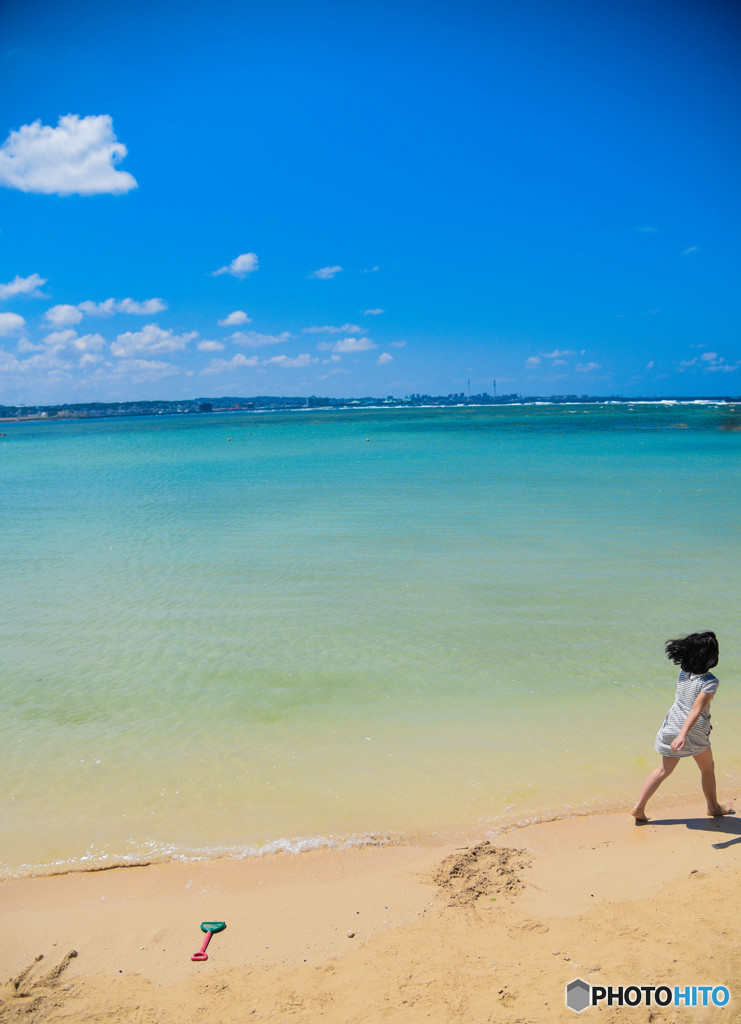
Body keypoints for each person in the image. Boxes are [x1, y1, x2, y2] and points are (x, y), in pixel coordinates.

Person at [631, 631, 732, 823]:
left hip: (671, 724)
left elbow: (692, 705)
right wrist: (683, 735)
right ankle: (713, 807)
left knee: (663, 769)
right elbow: (695, 709)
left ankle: (638, 807)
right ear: (711, 656)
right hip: (691, 731)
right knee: (707, 768)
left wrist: (681, 732)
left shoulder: (683, 673)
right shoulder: (710, 682)